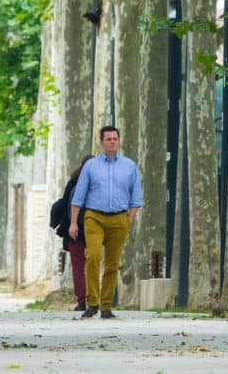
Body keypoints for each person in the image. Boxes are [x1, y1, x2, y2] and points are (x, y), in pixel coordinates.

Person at [69, 125, 143, 319]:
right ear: (101, 143)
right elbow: (79, 196)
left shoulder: (129, 166)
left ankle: (106, 306)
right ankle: (92, 303)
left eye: (115, 138)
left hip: (119, 218)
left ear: (119, 141)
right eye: (108, 139)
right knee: (92, 256)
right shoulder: (91, 166)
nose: (112, 141)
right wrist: (74, 222)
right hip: (94, 217)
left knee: (112, 264)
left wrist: (129, 219)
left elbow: (137, 197)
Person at [57, 155, 94, 311]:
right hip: (93, 227)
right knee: (94, 262)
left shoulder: (73, 181)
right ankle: (95, 297)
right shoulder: (99, 184)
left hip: (74, 229)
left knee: (78, 265)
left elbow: (65, 204)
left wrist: (68, 226)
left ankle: (82, 300)